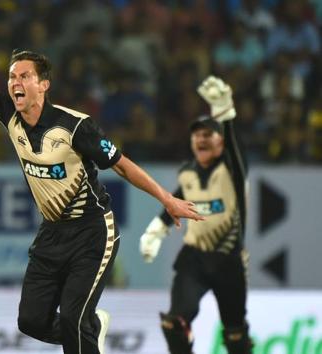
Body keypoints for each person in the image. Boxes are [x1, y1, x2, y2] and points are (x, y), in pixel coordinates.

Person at [0, 4, 202, 354]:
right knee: (31, 321)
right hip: (52, 232)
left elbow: (123, 165)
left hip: (92, 231)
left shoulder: (76, 126)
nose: (15, 83)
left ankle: (86, 329)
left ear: (43, 85)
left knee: (74, 320)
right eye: (11, 77)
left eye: (24, 76)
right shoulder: (8, 114)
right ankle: (91, 330)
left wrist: (166, 199)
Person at [139, 76, 252, 354]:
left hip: (228, 261)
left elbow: (235, 147)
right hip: (194, 260)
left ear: (221, 142)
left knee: (236, 336)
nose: (201, 138)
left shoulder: (233, 172)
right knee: (173, 324)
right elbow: (174, 204)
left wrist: (225, 112)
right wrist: (157, 229)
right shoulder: (187, 174)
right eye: (197, 134)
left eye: (208, 134)